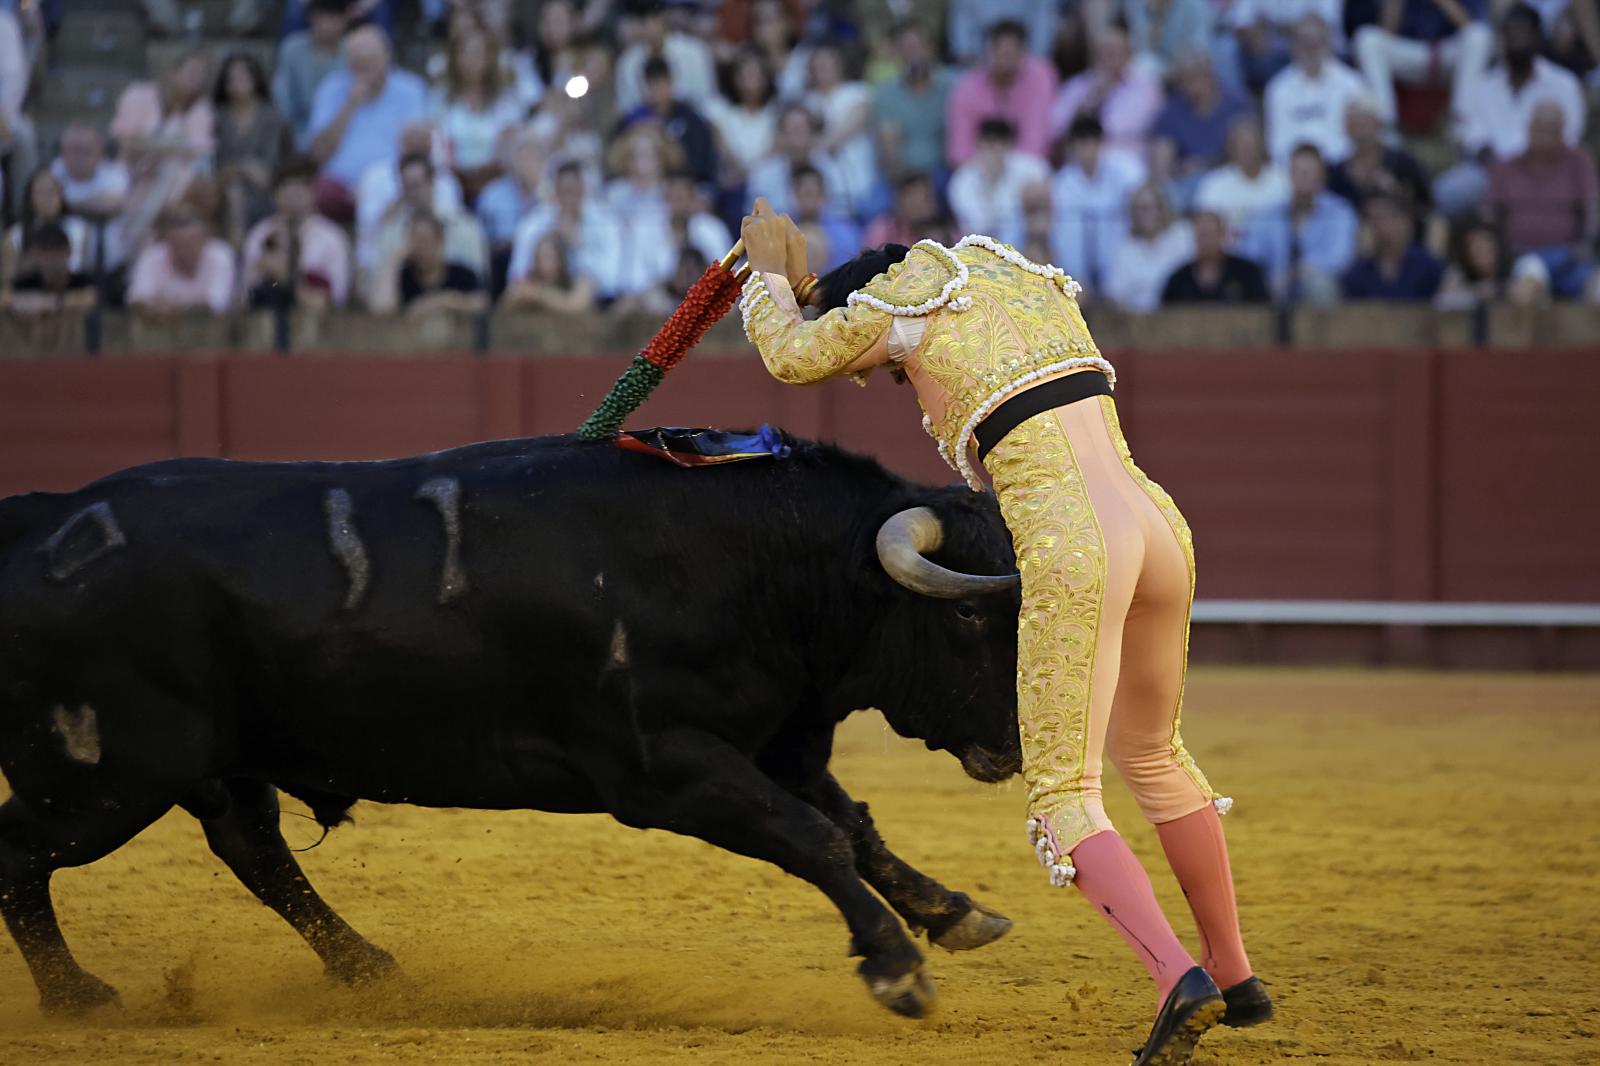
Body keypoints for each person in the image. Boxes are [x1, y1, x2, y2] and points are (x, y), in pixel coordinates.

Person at [737, 197, 1267, 1066]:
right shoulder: (1014, 277)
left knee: (1064, 794)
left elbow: (794, 359)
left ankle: (1180, 978)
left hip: (1074, 538)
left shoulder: (902, 308)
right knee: (1157, 757)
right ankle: (1235, 971)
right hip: (1158, 525)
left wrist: (767, 281)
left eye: (892, 378)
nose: (898, 383)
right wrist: (813, 283)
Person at [1436, 3, 1586, 218]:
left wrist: (1524, 166)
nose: (1516, 41)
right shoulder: (1483, 84)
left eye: (1522, 34)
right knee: (1448, 192)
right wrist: (1488, 156)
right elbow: (1466, 132)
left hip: (1546, 172)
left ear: (1537, 38)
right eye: (1510, 35)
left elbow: (1570, 137)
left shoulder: (1564, 84)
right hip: (1491, 172)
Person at [308, 25, 430, 221]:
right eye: (357, 63)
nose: (363, 69)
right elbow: (319, 153)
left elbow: (416, 148)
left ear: (388, 57)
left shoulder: (411, 90)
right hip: (340, 186)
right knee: (318, 193)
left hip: (392, 182)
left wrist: (373, 186)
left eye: (370, 61)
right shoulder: (330, 89)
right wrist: (349, 106)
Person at [109, 49, 216, 270]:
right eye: (192, 72)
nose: (197, 79)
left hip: (172, 182)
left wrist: (152, 146)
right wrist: (168, 147)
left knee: (172, 170)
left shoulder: (202, 110)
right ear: (173, 72)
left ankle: (137, 242)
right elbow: (126, 142)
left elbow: (197, 153)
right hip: (129, 171)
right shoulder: (138, 94)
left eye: (202, 74)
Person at [1484, 101, 1600, 302]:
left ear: (1562, 132)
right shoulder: (1506, 167)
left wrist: (1587, 244)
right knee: (1531, 276)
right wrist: (1499, 253)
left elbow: (1593, 208)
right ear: (1529, 129)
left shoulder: (1579, 163)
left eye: (1552, 130)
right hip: (1519, 256)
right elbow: (1488, 213)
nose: (1545, 136)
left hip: (1569, 259)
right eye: (1540, 129)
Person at [360, 152, 488, 306]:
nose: (412, 193)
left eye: (416, 185)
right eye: (406, 187)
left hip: (460, 312)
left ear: (432, 182)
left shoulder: (466, 226)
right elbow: (380, 302)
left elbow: (480, 282)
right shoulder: (390, 232)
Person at [1236, 144, 1359, 303]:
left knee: (1319, 285)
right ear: (1289, 174)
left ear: (1322, 176)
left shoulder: (1341, 213)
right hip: (1274, 288)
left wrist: (1296, 273)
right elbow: (1250, 256)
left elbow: (1340, 258)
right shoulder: (1267, 216)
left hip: (1319, 287)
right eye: (1298, 171)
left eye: (1309, 172)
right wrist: (1270, 278)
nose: (1303, 176)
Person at [1351, 0, 1493, 129]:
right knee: (1367, 39)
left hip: (1448, 55)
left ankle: (1462, 124)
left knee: (1479, 36)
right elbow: (1387, 33)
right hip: (1412, 56)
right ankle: (1385, 126)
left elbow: (1470, 26)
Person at [430, 18, 526, 204]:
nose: (472, 61)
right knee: (445, 193)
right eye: (465, 54)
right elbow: (437, 139)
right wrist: (457, 173)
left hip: (497, 176)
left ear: (489, 58)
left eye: (478, 54)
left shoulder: (505, 98)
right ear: (454, 58)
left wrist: (486, 173)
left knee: (499, 198)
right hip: (451, 176)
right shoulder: (440, 97)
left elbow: (510, 140)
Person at [240, 157, 352, 310]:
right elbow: (248, 295)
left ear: (313, 191)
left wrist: (286, 277)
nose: (294, 192)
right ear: (275, 193)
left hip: (318, 323)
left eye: (302, 185)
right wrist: (274, 278)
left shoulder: (332, 238)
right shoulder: (259, 235)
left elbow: (335, 300)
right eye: (286, 185)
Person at [1049, 116, 1146, 288]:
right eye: (1080, 143)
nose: (1086, 149)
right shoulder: (1060, 184)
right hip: (1075, 271)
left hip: (1119, 264)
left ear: (1101, 143)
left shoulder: (1127, 171)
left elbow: (1144, 202)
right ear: (1071, 147)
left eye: (1091, 142)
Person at [946, 20, 1059, 166]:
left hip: (1027, 168)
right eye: (999, 49)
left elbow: (1036, 143)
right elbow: (959, 152)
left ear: (1023, 52)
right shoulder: (966, 88)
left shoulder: (1041, 77)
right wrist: (988, 170)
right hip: (980, 168)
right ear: (988, 52)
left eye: (1011, 50)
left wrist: (1007, 174)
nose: (1005, 56)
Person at [1149, 52, 1252, 209]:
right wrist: (1180, 169)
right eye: (1183, 79)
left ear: (1209, 74)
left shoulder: (1236, 104)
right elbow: (1160, 167)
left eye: (1195, 75)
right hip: (1188, 182)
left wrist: (1207, 165)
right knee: (1170, 196)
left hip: (1230, 176)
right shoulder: (1171, 112)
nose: (1189, 84)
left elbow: (1248, 154)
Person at [1050, 19, 1163, 163]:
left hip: (1126, 161)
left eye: (1114, 51)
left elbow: (1119, 128)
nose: (1108, 57)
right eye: (1102, 51)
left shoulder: (1146, 88)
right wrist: (1092, 98)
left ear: (1129, 54)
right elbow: (1056, 129)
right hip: (1080, 163)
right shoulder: (1076, 86)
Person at [1263, 16, 1368, 166]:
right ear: (1294, 47)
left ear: (1328, 43)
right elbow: (1277, 143)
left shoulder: (1352, 84)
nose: (1311, 48)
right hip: (1294, 173)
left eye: (1316, 42)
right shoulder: (1278, 88)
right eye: (1305, 41)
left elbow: (1358, 139)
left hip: (1339, 167)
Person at [215, 52, 292, 243]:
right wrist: (243, 167)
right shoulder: (218, 118)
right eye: (232, 79)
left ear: (255, 79)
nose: (237, 83)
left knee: (240, 196)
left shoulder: (272, 119)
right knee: (234, 194)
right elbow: (217, 167)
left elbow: (268, 171)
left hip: (267, 191)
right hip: (225, 189)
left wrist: (237, 168)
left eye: (243, 77)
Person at [875, 21, 956, 187]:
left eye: (919, 47)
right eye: (907, 48)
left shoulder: (952, 87)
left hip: (945, 172)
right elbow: (890, 148)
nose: (914, 55)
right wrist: (904, 185)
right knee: (871, 207)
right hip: (903, 177)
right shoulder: (886, 93)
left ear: (931, 49)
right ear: (896, 54)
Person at [947, 119, 1051, 244]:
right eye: (989, 143)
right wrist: (991, 181)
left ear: (1010, 144)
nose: (995, 149)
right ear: (978, 145)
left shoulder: (1033, 168)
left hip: (1027, 244)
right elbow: (979, 226)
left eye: (1000, 142)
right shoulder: (962, 180)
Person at [617, 56, 717, 186]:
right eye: (651, 85)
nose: (656, 91)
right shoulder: (633, 119)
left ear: (671, 84)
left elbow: (699, 163)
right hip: (638, 186)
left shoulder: (690, 119)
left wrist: (664, 136)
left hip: (686, 186)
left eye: (660, 84)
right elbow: (616, 159)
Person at [805, 43, 878, 220]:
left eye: (828, 63)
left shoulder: (857, 91)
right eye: (818, 65)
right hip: (827, 190)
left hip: (862, 182)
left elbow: (856, 122)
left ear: (839, 65)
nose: (823, 69)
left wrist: (823, 142)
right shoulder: (808, 101)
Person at [1327, 96, 1432, 218]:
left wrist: (1396, 192)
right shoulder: (1337, 173)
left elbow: (1426, 205)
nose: (1360, 131)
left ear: (1378, 124)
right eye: (1354, 125)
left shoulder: (1404, 163)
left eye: (1364, 123)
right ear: (1346, 129)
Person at [746, 102, 851, 218]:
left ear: (813, 134)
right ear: (780, 136)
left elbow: (842, 213)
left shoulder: (831, 170)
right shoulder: (762, 176)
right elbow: (754, 221)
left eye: (802, 130)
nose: (797, 139)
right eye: (792, 131)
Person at [374, 211, 488, 315]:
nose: (419, 248)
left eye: (425, 241)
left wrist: (447, 301)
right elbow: (382, 310)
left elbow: (481, 303)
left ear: (440, 241)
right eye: (413, 241)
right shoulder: (403, 278)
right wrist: (394, 260)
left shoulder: (463, 275)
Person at [1104, 181, 1195, 313]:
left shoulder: (1182, 235)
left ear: (1161, 208)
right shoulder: (1124, 248)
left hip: (1178, 315)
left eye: (1146, 208)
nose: (1142, 215)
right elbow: (1114, 295)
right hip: (1137, 321)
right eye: (1137, 209)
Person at [126, 208, 237, 315]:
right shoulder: (152, 257)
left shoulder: (220, 255)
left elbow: (216, 304)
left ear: (204, 240)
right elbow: (137, 299)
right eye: (179, 245)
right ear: (168, 243)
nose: (185, 251)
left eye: (192, 243)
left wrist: (174, 307)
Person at [614, 0, 716, 115]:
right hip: (645, 125)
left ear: (663, 19)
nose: (647, 27)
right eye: (641, 22)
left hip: (691, 120)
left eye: (652, 19)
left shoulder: (695, 51)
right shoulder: (627, 61)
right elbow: (626, 108)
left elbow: (706, 99)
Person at [274, 0, 350, 152]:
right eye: (321, 18)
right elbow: (282, 95)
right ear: (311, 18)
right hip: (298, 126)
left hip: (342, 127)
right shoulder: (292, 48)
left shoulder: (352, 52)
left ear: (344, 21)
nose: (326, 25)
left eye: (332, 19)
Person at [1340, 191, 1444, 301]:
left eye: (1386, 217)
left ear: (1406, 220)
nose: (1380, 225)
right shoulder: (1357, 273)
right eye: (1372, 219)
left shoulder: (1430, 268)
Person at [1193, 116, 1288, 232]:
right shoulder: (1213, 185)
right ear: (1231, 148)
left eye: (1250, 145)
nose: (1246, 151)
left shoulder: (1283, 180)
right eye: (1240, 145)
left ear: (1262, 146)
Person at [2, 170, 92, 291]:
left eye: (52, 192)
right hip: (27, 300)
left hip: (71, 296)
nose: (47, 198)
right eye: (41, 192)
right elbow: (7, 285)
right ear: (30, 197)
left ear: (61, 195)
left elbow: (84, 278)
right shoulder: (14, 236)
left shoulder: (79, 231)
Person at [1161, 208, 1270, 303]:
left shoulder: (1248, 273)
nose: (1206, 241)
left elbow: (1264, 311)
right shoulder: (1178, 280)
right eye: (1202, 235)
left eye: (1210, 234)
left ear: (1223, 236)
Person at [706, 49, 777, 190]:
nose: (751, 80)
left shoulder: (776, 112)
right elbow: (722, 148)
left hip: (766, 182)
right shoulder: (720, 110)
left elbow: (774, 150)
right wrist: (742, 173)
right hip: (732, 180)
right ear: (735, 79)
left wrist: (752, 176)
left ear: (765, 79)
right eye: (746, 75)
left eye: (756, 74)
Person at [0, 223, 96, 315]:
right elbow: (5, 298)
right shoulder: (25, 282)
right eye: (46, 254)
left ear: (69, 252)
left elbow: (91, 297)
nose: (52, 260)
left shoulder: (81, 281)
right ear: (34, 254)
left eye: (57, 252)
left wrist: (50, 303)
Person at [50, 124, 130, 230]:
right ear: (63, 152)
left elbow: (114, 204)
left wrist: (64, 205)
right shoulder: (56, 169)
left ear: (100, 152)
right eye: (74, 150)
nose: (79, 157)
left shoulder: (114, 173)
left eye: (85, 151)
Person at [500, 230, 596, 312]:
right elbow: (507, 303)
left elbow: (575, 305)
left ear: (562, 259)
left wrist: (538, 294)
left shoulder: (580, 281)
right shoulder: (526, 282)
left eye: (550, 256)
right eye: (540, 257)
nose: (544, 263)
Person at [1434, 218, 1513, 309]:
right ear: (1467, 252)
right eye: (1477, 249)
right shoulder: (1458, 272)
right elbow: (1443, 301)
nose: (1483, 254)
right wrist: (1478, 292)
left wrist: (1499, 290)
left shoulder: (1511, 267)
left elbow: (1523, 291)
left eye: (1488, 248)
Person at [863, 172, 956, 250]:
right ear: (900, 202)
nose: (922, 206)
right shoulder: (883, 230)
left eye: (927, 198)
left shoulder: (949, 232)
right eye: (914, 201)